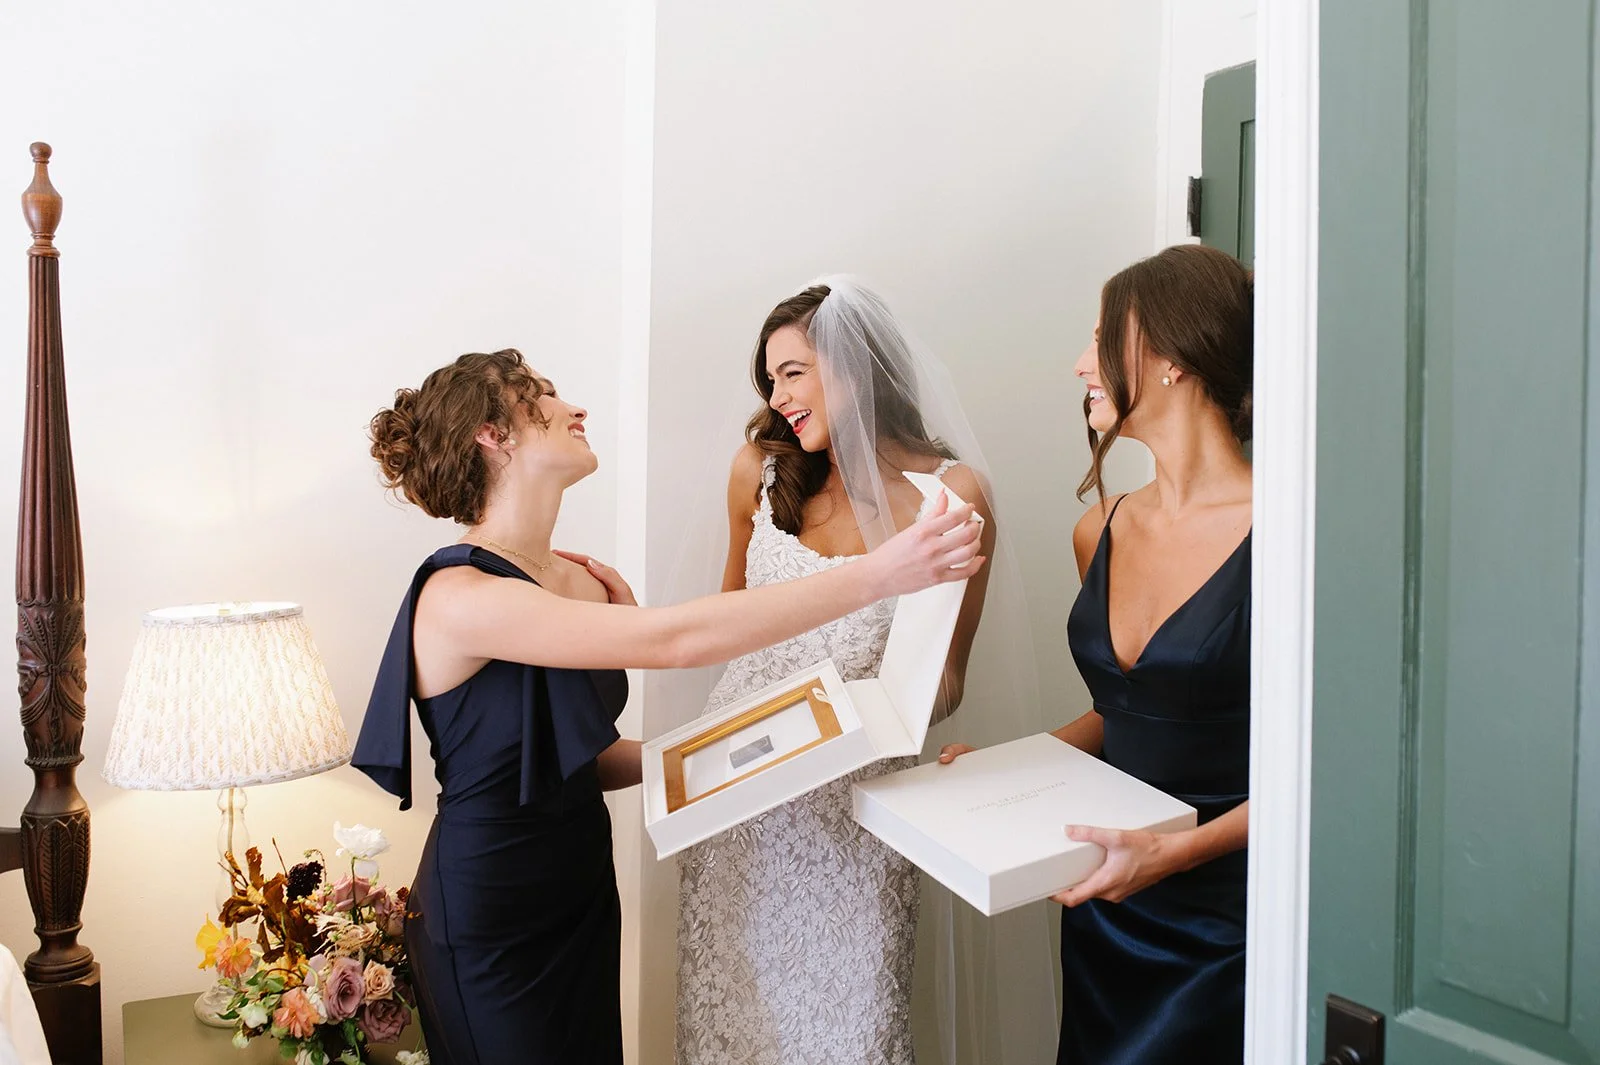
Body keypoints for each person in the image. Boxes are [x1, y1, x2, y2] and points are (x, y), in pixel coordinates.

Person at [350, 347, 982, 1065]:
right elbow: (679, 639)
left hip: (581, 889)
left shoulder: (578, 581)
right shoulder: (458, 597)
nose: (574, 408)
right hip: (490, 905)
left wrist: (732, 757)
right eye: (545, 397)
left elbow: (585, 762)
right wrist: (879, 573)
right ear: (494, 436)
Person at [673, 278, 1048, 1065]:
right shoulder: (759, 472)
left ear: (852, 367)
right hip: (741, 811)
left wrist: (864, 710)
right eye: (769, 381)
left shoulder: (951, 495)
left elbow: (948, 681)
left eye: (791, 373)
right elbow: (726, 625)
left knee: (856, 1035)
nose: (777, 400)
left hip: (855, 818)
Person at [942, 243, 1253, 1063]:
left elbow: (1333, 768)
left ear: (1173, 359)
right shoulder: (1100, 528)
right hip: (1109, 900)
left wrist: (1179, 849)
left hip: (1233, 917)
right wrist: (1005, 768)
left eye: (1101, 337)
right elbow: (1122, 713)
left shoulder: (1291, 529)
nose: (1082, 363)